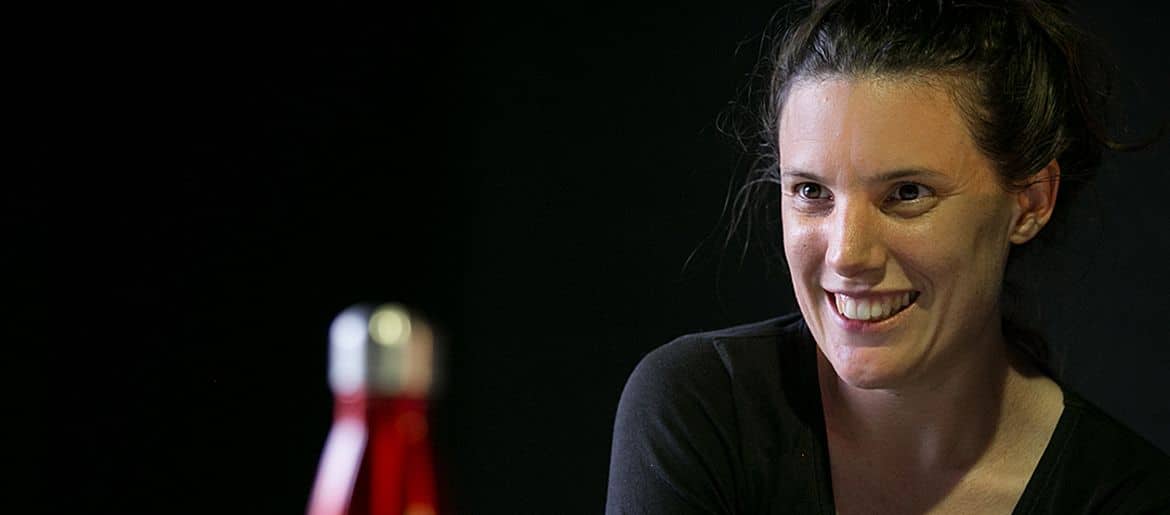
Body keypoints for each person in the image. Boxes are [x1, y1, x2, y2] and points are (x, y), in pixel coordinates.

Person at [605, 1, 1170, 513]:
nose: (847, 254)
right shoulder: (704, 410)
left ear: (1029, 201)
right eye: (811, 191)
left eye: (907, 193)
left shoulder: (1127, 498)